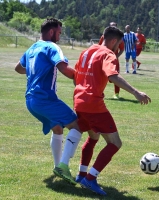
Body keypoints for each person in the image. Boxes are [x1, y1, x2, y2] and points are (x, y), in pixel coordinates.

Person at [73, 26, 151, 195]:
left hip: (78, 101)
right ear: (115, 41)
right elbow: (113, 76)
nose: (119, 48)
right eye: (120, 44)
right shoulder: (109, 54)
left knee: (93, 137)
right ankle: (90, 179)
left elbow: (76, 75)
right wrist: (136, 93)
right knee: (115, 143)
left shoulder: (86, 51)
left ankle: (81, 175)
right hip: (94, 105)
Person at [14, 17, 82, 185]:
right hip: (44, 99)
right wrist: (82, 78)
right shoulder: (52, 46)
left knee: (58, 129)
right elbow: (64, 69)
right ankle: (63, 166)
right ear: (51, 32)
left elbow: (18, 68)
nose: (59, 36)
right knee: (76, 126)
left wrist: (34, 71)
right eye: (59, 32)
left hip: (30, 100)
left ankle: (57, 166)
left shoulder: (32, 48)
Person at [99, 22, 125, 99]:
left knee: (115, 75)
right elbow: (100, 46)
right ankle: (99, 92)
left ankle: (116, 94)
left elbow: (122, 48)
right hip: (104, 59)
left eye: (115, 27)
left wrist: (116, 56)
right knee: (101, 76)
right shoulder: (104, 37)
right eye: (111, 26)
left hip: (114, 60)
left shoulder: (119, 38)